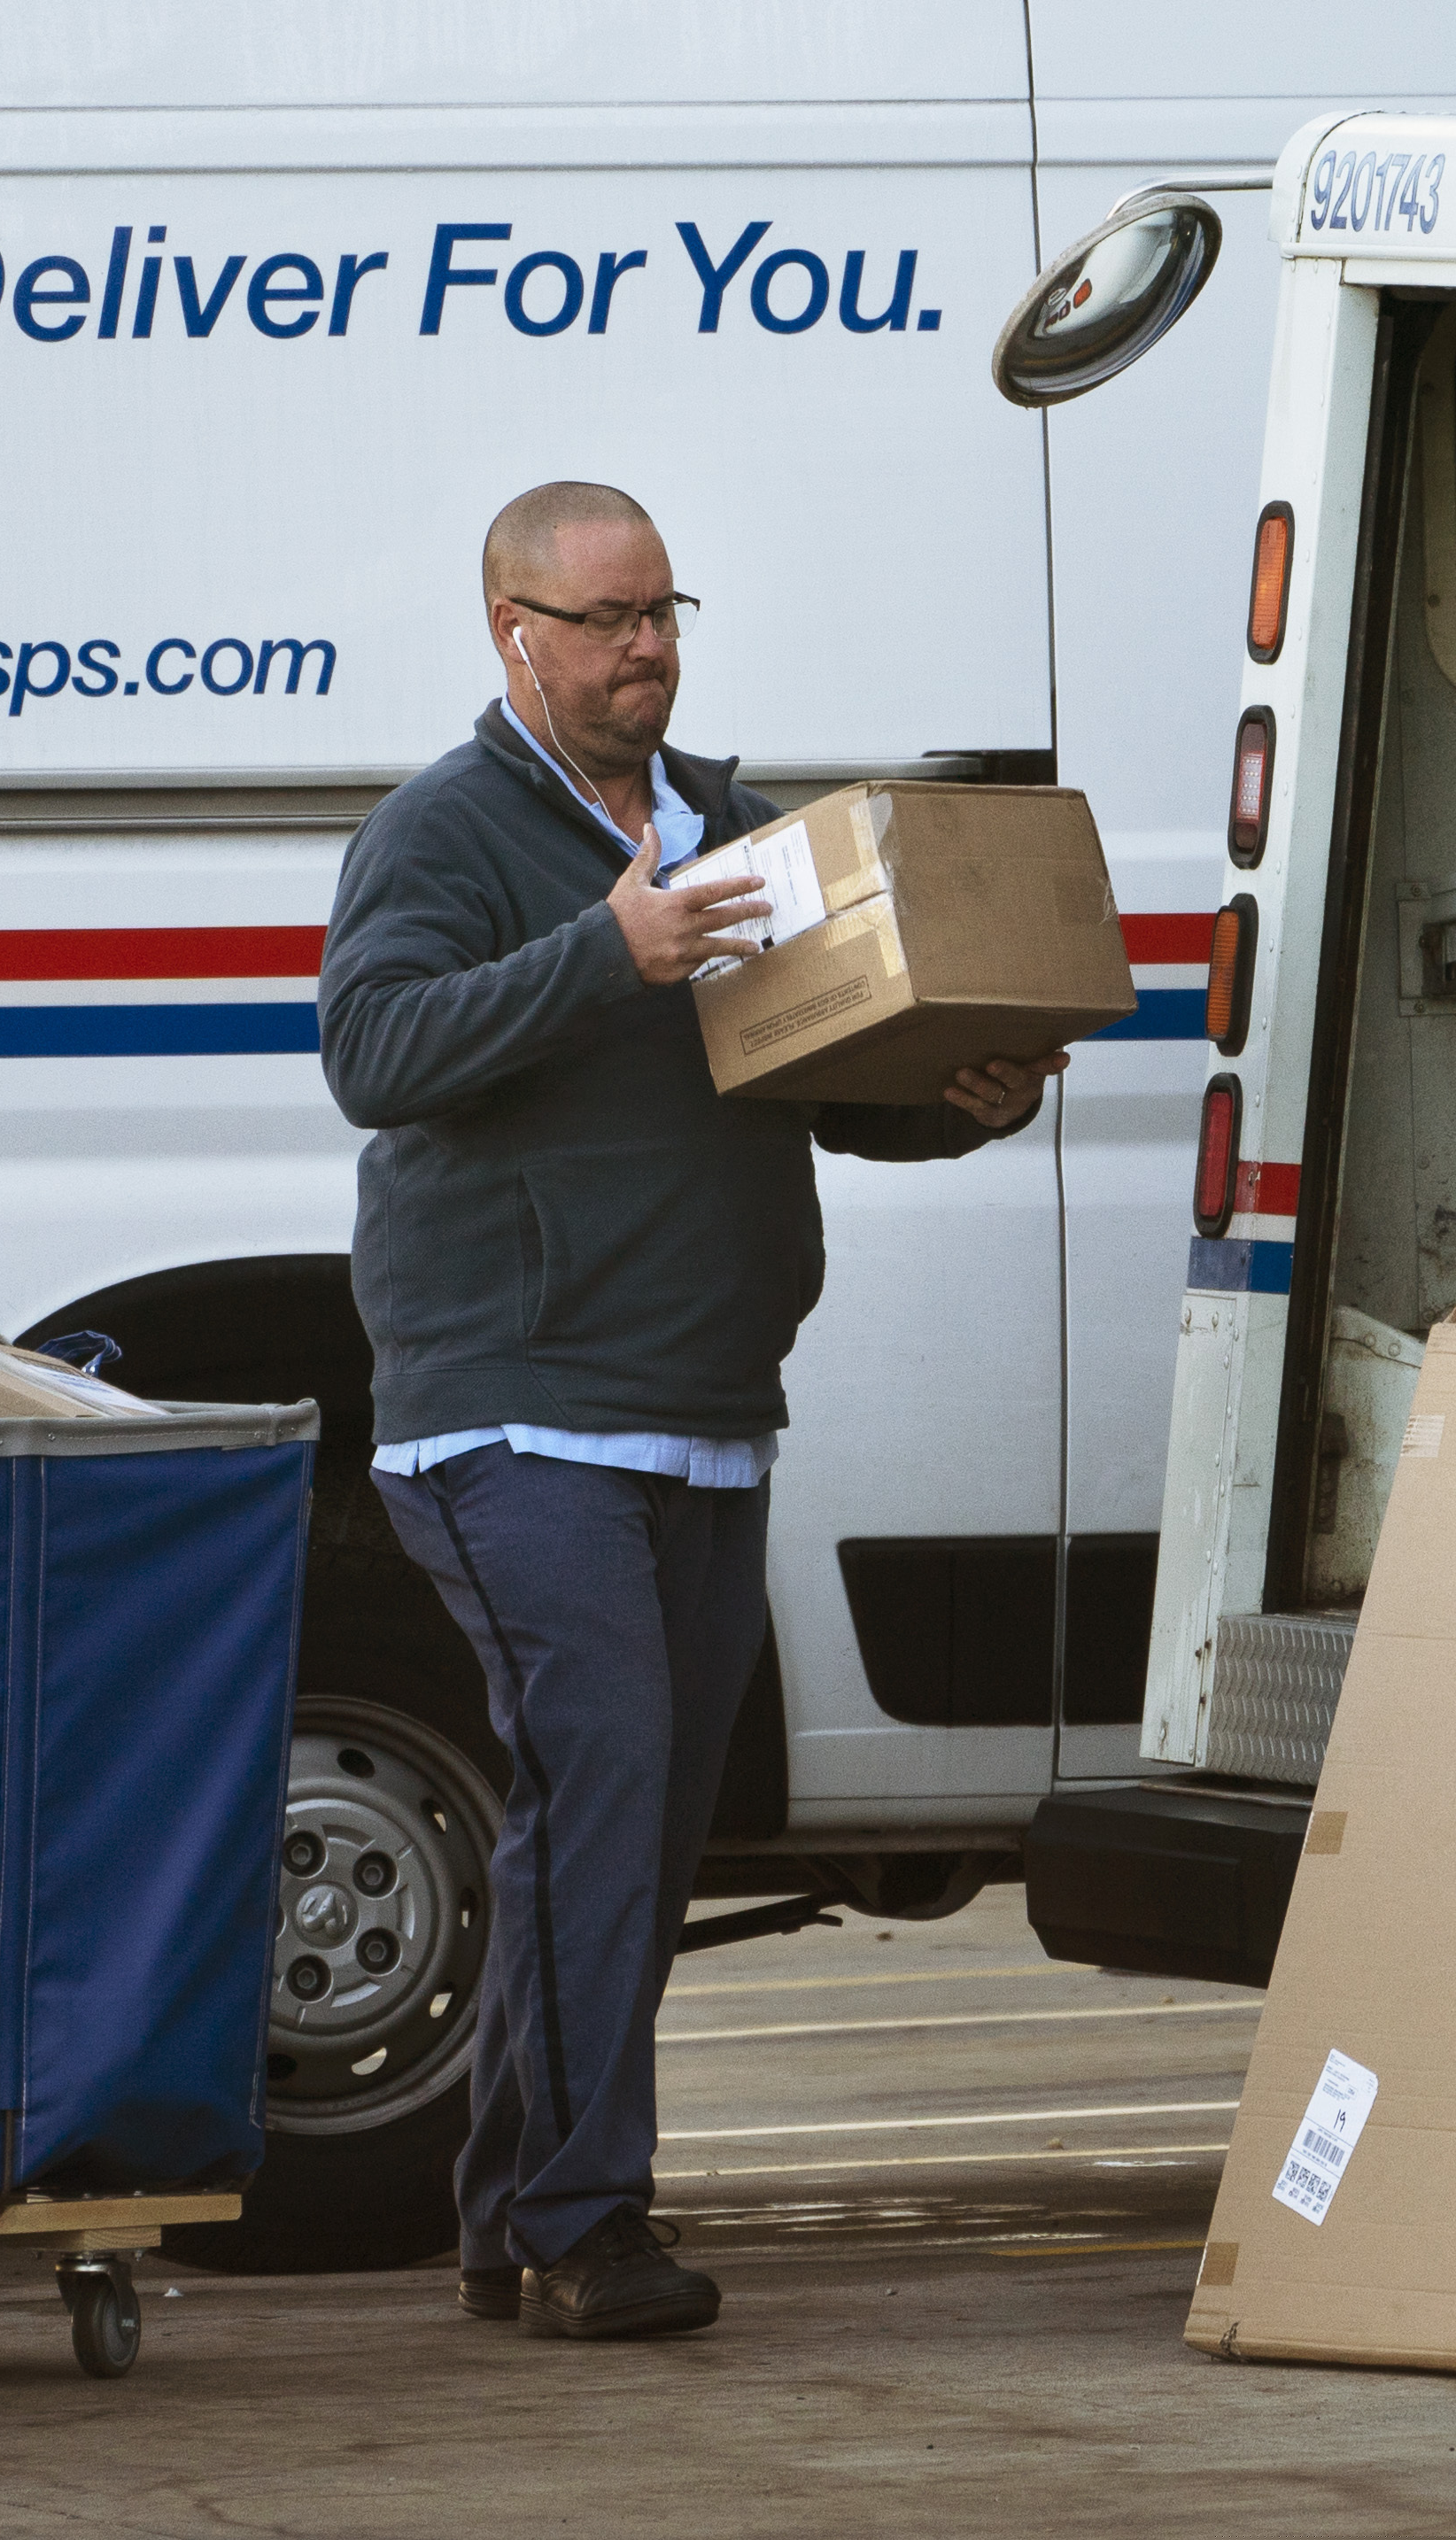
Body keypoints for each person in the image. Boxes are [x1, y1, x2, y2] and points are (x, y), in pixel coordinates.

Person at [317, 481, 1062, 2340]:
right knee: (606, 1789)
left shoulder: (732, 832)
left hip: (705, 1410)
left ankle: (507, 2214)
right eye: (607, 619)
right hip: (512, 1416)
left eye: (666, 612)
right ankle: (588, 2225)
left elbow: (810, 1078)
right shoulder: (446, 830)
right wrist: (605, 953)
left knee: (628, 1831)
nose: (647, 646)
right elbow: (373, 1052)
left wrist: (954, 1094)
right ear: (518, 638)